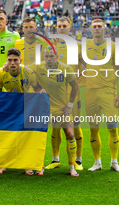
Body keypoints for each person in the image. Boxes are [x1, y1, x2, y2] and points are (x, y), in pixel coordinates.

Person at [84, 19, 119, 173]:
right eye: (94, 27)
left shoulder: (113, 47)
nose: (96, 29)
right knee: (93, 129)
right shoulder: (84, 46)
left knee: (112, 128)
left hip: (108, 92)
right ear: (90, 29)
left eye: (99, 27)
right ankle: (97, 162)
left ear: (104, 29)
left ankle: (114, 162)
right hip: (91, 92)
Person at [31, 47, 79, 177]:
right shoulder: (38, 67)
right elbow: (23, 69)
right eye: (46, 56)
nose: (49, 59)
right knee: (39, 137)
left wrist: (69, 106)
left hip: (62, 109)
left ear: (56, 56)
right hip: (44, 109)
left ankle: (71, 166)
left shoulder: (66, 69)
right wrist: (38, 88)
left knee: (70, 134)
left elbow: (75, 86)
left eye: (51, 56)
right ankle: (39, 166)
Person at [0, 48, 42, 175]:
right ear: (6, 61)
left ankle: (28, 165)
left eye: (15, 60)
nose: (13, 63)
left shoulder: (28, 72)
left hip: (27, 107)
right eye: (10, 60)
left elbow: (38, 89)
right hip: (10, 108)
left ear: (20, 61)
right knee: (6, 136)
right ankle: (2, 164)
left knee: (27, 137)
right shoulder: (1, 74)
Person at [45, 17, 84, 171]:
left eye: (64, 26)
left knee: (75, 126)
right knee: (55, 127)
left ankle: (78, 161)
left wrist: (77, 82)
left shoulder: (78, 46)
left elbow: (88, 68)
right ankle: (55, 159)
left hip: (72, 95)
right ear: (56, 27)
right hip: (55, 95)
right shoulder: (49, 46)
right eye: (59, 26)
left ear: (70, 27)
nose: (61, 28)